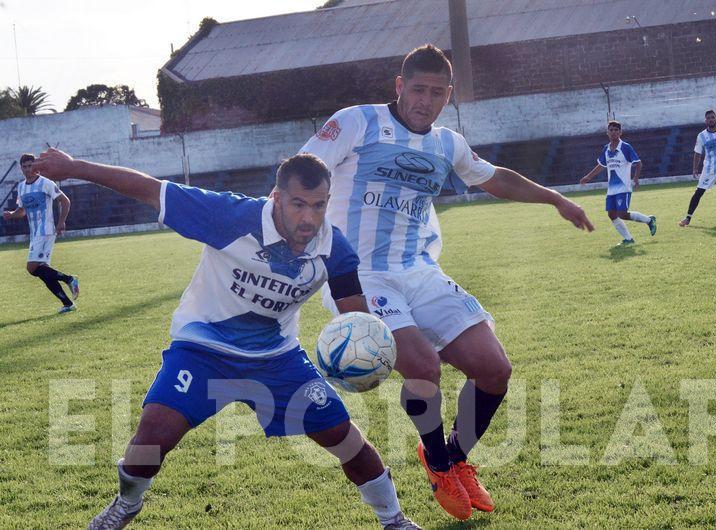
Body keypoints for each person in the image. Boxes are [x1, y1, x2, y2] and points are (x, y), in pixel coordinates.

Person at [31, 149, 421, 530]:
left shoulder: (334, 248)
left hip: (277, 358)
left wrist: (368, 356)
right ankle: (127, 504)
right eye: (298, 204)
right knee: (153, 436)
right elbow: (148, 188)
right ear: (276, 198)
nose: (309, 218)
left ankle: (395, 521)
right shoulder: (228, 215)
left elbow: (356, 318)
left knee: (343, 436)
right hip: (204, 348)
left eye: (319, 206)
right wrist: (73, 167)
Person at [300, 44, 594, 521]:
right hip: (361, 274)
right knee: (422, 367)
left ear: (448, 95)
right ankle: (438, 464)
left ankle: (455, 456)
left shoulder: (447, 143)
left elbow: (494, 177)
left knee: (495, 369)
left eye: (437, 93)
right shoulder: (357, 123)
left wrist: (554, 198)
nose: (425, 100)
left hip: (419, 270)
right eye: (417, 89)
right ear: (399, 86)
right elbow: (303, 170)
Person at [2, 153, 79, 313]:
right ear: (21, 168)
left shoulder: (45, 183)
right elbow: (22, 211)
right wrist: (11, 214)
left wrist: (61, 221)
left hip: (46, 230)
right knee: (43, 271)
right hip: (35, 232)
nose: (28, 169)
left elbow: (65, 201)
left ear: (35, 166)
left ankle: (69, 279)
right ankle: (67, 303)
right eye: (25, 166)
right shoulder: (21, 187)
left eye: (31, 165)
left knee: (32, 268)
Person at [580, 121, 656, 245]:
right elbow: (601, 165)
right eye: (611, 130)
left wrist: (636, 179)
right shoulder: (606, 148)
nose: (614, 132)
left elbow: (638, 163)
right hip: (612, 189)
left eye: (616, 130)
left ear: (620, 132)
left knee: (622, 214)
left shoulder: (625, 147)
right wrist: (588, 177)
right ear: (607, 133)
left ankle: (649, 220)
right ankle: (628, 239)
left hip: (624, 187)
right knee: (611, 214)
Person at [678, 110, 716, 227]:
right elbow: (697, 153)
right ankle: (687, 218)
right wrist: (695, 168)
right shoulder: (701, 136)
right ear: (706, 121)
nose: (711, 119)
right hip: (709, 169)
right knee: (698, 193)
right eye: (708, 118)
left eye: (712, 117)